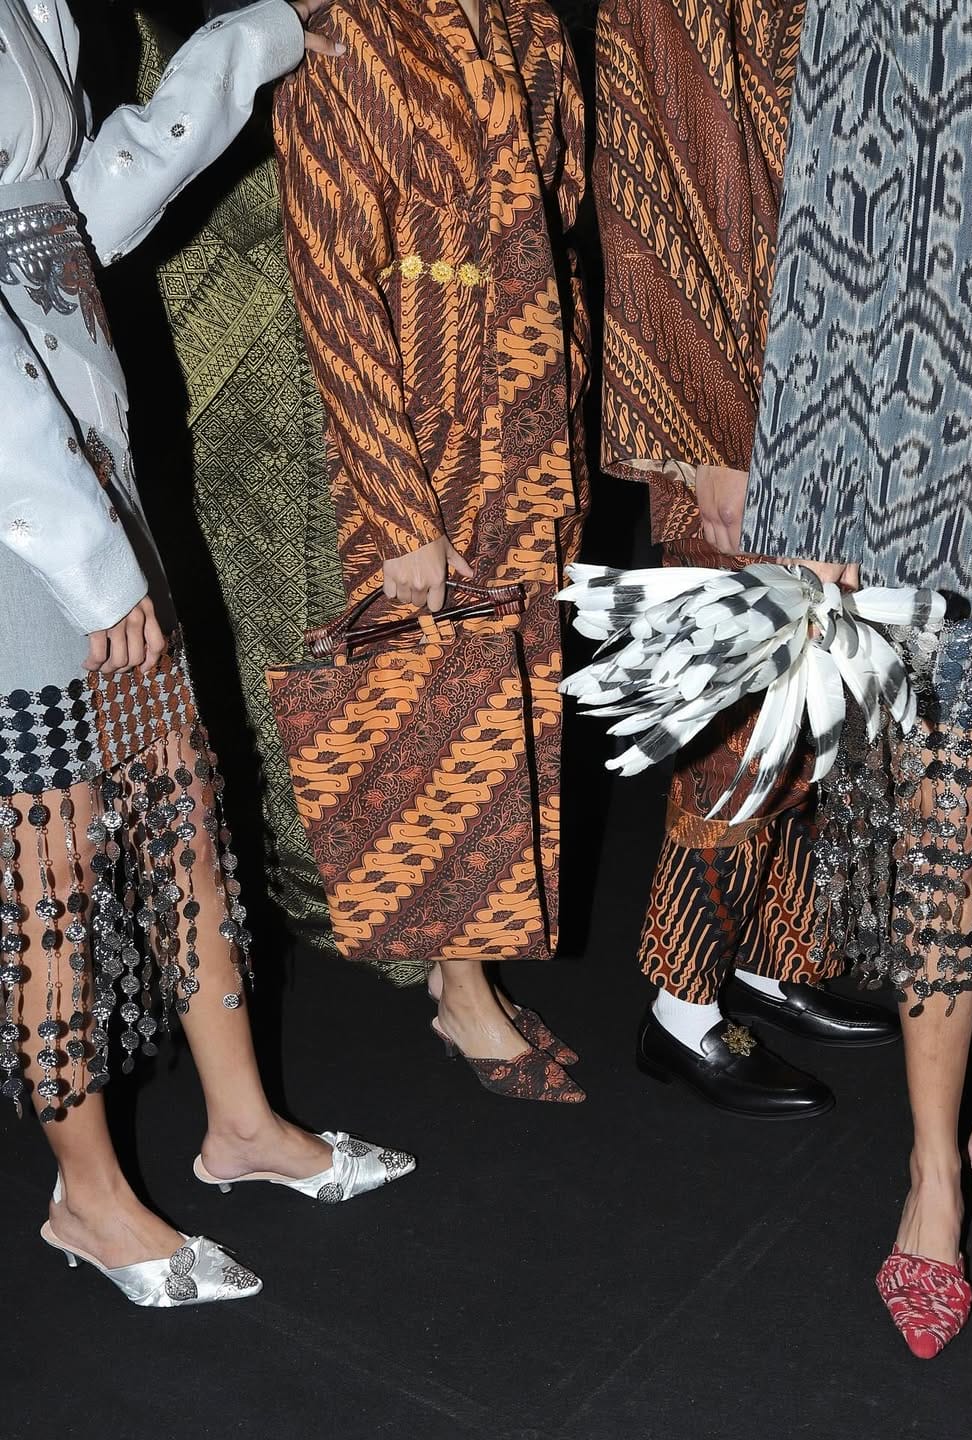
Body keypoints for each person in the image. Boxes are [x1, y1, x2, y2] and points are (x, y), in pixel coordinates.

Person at [0, 0, 413, 1310]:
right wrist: (90, 554)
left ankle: (242, 1126)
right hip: (23, 502)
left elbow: (74, 214)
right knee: (52, 856)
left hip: (81, 449)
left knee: (175, 802)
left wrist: (252, 45)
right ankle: (89, 1197)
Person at [743, 1, 972, 1355]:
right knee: (949, 813)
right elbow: (832, 195)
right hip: (934, 432)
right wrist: (807, 490)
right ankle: (934, 1171)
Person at [272, 0, 590, 1102]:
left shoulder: (529, 23)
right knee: (444, 718)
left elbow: (557, 217)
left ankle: (472, 969)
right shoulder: (344, 35)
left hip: (531, 430)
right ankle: (461, 990)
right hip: (425, 443)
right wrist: (399, 509)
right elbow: (331, 284)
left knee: (515, 713)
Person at [593, 0, 898, 1120]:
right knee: (742, 726)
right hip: (735, 418)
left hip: (824, 390)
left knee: (819, 703)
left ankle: (774, 958)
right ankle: (681, 1007)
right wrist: (710, 446)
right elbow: (657, 199)